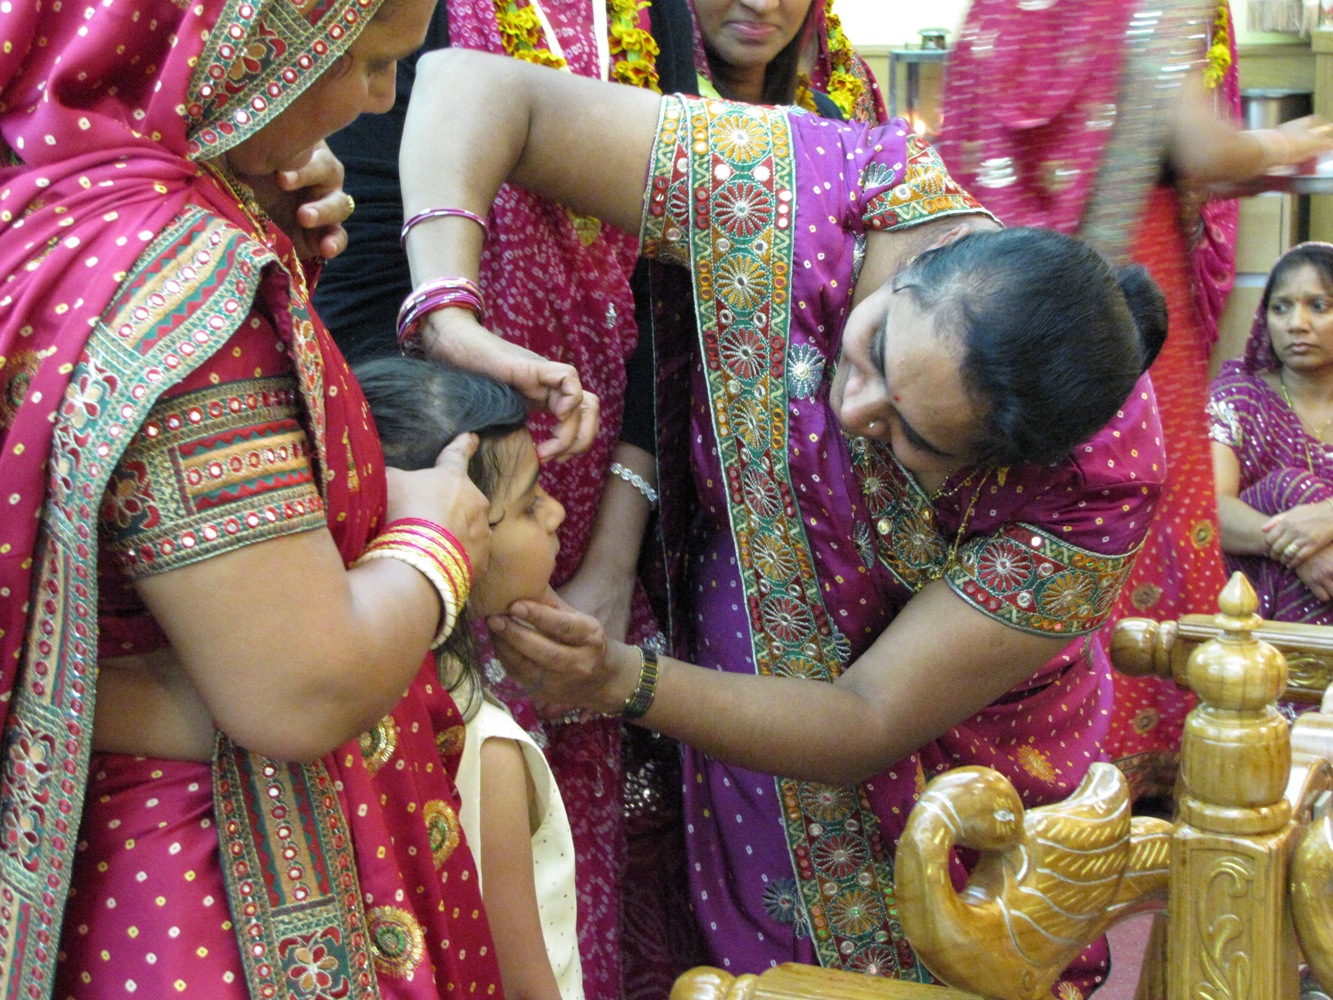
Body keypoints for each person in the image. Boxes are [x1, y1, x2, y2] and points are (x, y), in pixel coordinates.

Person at [396, 50, 1169, 994]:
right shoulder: (812, 195)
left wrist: (617, 677)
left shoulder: (1095, 478)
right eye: (874, 346)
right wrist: (446, 310)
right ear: (920, 264)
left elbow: (866, 716)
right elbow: (475, 87)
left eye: (908, 436)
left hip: (965, 788)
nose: (854, 411)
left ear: (1004, 462)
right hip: (745, 725)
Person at [0, 1, 510, 997]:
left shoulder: (57, 203)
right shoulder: (179, 283)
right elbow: (298, 684)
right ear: (240, 41)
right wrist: (434, 539)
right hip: (214, 894)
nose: (379, 100)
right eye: (360, 59)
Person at [315, 3, 701, 995]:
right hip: (437, 478)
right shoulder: (407, 23)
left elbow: (668, 299)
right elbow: (358, 298)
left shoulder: (655, 16)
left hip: (561, 521)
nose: (374, 88)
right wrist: (450, 517)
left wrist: (609, 560)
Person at [936, 0, 1333, 802]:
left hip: (1004, 311)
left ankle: (1022, 755)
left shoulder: (990, 13)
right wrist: (1292, 143)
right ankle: (1137, 762)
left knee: (1025, 512)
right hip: (1119, 304)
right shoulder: (1145, 6)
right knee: (1136, 502)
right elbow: (1207, 153)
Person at [357, 357, 585, 1000]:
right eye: (528, 505)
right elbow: (520, 984)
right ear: (457, 537)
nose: (557, 514)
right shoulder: (480, 745)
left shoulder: (366, 696)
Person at [1209, 242, 1333, 630]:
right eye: (1281, 307)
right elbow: (1212, 510)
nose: (1296, 323)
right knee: (1287, 490)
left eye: (1318, 306)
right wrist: (1302, 551)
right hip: (1255, 597)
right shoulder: (1240, 394)